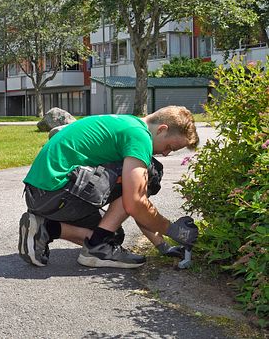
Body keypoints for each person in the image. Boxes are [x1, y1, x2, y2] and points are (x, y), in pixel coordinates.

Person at [18, 106, 200, 269]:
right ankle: (96, 249)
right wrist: (174, 230)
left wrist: (163, 245)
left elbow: (137, 204)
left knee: (112, 237)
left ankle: (44, 228)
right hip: (56, 193)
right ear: (162, 129)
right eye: (169, 146)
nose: (166, 153)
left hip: (42, 195)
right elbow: (135, 202)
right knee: (152, 172)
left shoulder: (128, 123)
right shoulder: (140, 136)